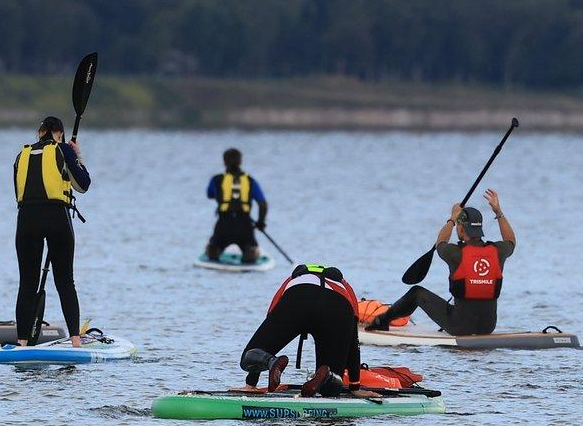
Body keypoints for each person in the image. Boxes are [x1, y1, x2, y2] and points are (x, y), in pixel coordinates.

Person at [365, 189, 517, 337]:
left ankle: (382, 320)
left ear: (461, 228)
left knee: (417, 292)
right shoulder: (498, 251)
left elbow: (440, 242)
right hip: (488, 326)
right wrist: (498, 212)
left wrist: (452, 218)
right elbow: (511, 241)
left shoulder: (454, 253)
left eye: (458, 225)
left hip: (459, 326)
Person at [14, 115, 91, 346]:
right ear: (58, 133)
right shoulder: (63, 150)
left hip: (26, 220)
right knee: (65, 281)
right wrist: (77, 156)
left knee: (27, 283)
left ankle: (22, 343)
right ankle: (76, 341)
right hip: (57, 218)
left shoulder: (21, 155)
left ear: (39, 133)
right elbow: (83, 184)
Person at [241, 264, 365, 395]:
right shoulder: (346, 287)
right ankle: (327, 375)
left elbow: (268, 327)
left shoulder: (291, 280)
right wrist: (355, 387)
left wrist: (251, 383)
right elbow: (353, 341)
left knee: (250, 354)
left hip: (298, 297)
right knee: (331, 389)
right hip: (337, 306)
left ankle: (271, 362)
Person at [204, 148, 269, 263]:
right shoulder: (250, 181)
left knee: (213, 249)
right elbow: (262, 204)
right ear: (240, 162)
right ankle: (250, 251)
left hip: (223, 224)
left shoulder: (216, 180)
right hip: (245, 225)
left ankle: (213, 250)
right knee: (250, 251)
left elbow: (210, 194)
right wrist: (261, 223)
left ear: (224, 162)